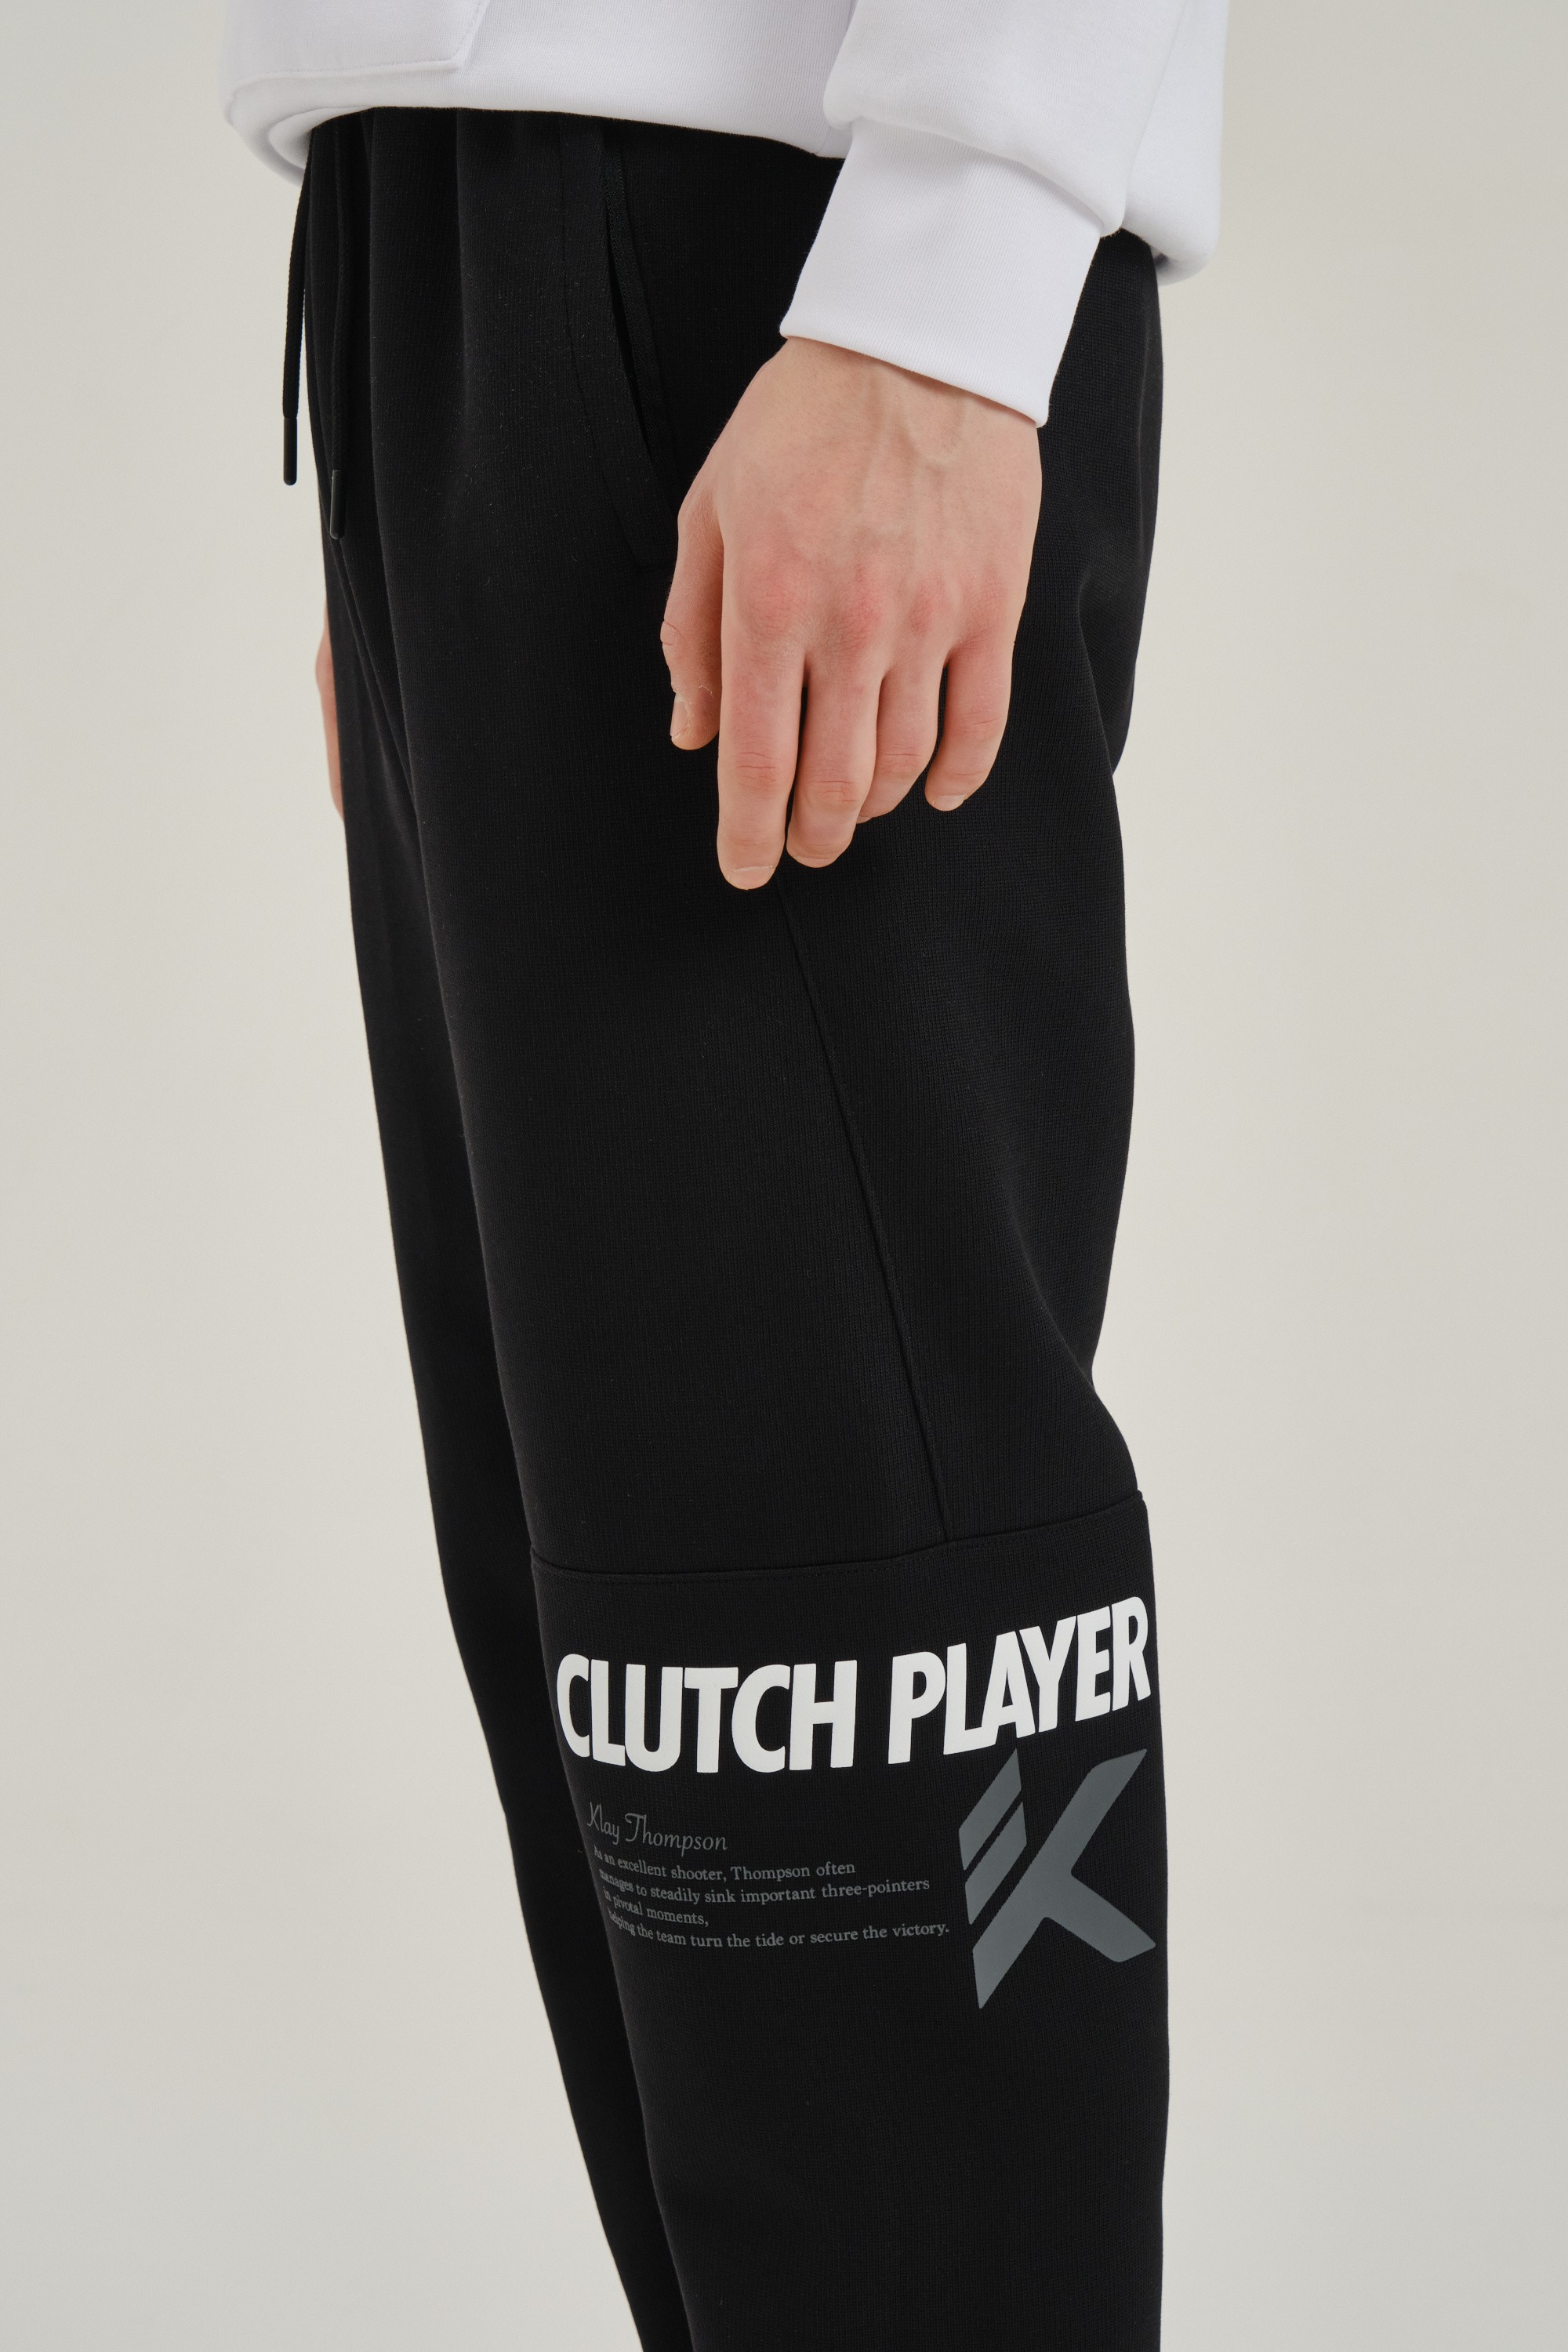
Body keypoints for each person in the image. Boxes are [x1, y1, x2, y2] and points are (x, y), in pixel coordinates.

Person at [224, 4, 1227, 2344]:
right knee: (667, 1789)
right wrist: (427, 466)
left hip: (773, 263)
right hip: (448, 261)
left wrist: (955, 267)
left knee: (849, 1730)